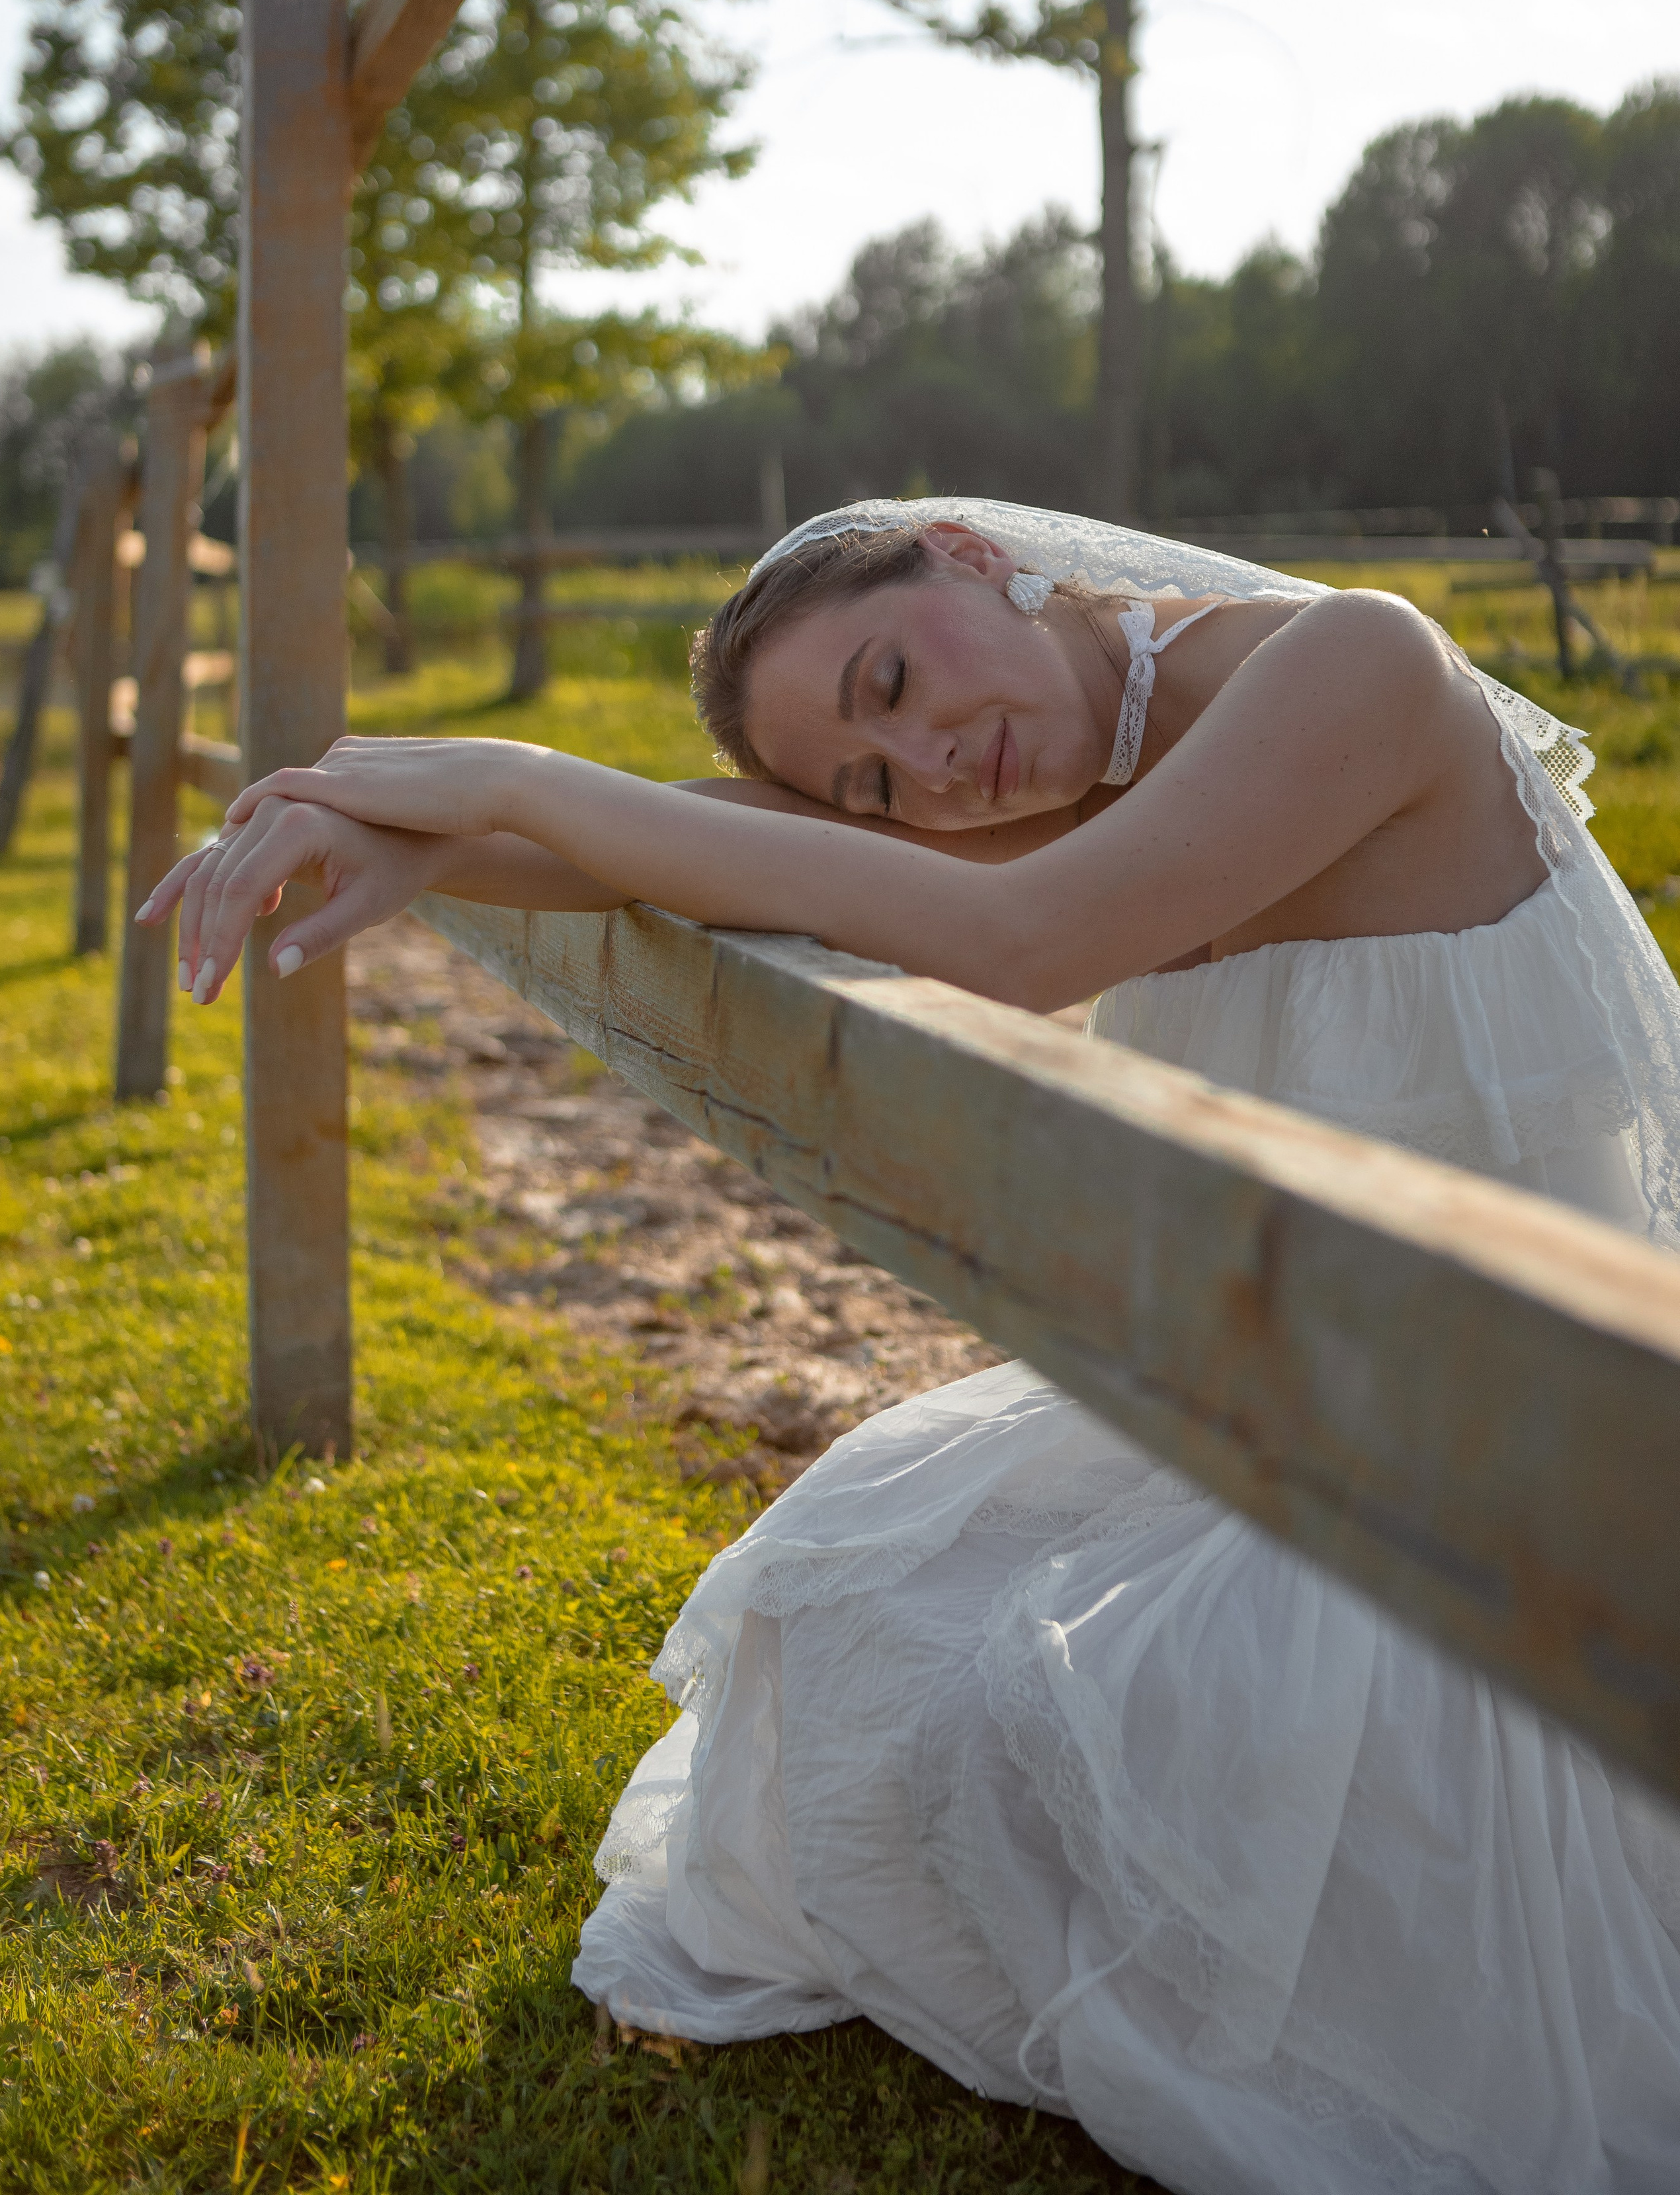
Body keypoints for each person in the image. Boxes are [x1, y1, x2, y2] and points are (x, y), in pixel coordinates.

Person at [141, 499, 1680, 2194]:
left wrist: (503, 778)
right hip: (1279, 1400)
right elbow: (691, 835)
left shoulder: (1354, 665)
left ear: (967, 555)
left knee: (1145, 1724)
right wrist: (382, 827)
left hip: (1511, 1463)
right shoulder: (1075, 779)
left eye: (890, 681)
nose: (929, 770)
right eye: (867, 783)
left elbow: (1029, 950)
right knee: (844, 1615)